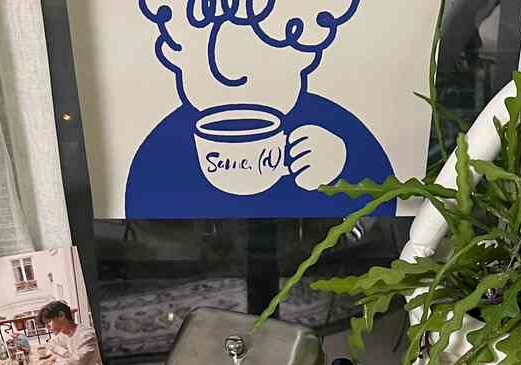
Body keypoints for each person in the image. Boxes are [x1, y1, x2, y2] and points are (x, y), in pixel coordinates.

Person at [128, 0, 395, 219]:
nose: (230, 72)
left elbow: (389, 195)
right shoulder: (164, 142)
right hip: (206, 257)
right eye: (203, 47)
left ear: (306, 54)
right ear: (173, 52)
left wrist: (340, 166)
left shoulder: (330, 123)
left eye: (267, 44)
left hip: (309, 253)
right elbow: (140, 201)